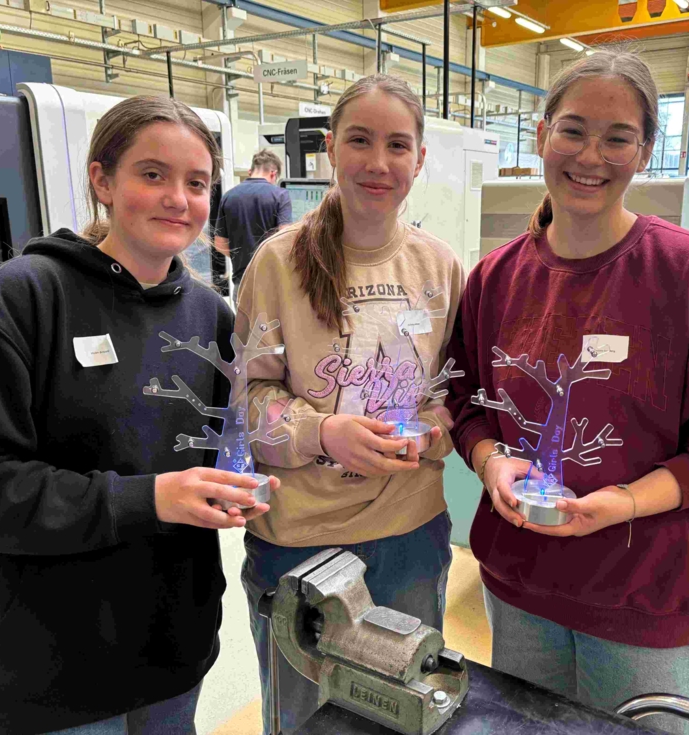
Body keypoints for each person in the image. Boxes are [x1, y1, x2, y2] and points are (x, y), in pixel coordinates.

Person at [445, 50, 689, 735]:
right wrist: (490, 461)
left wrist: (627, 502)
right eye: (573, 129)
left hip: (649, 604)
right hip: (522, 590)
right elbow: (462, 398)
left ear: (646, 152)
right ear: (543, 133)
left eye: (617, 137)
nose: (590, 155)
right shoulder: (496, 279)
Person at [0, 96, 279, 735]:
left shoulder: (209, 318)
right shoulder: (23, 298)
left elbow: (216, 451)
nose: (177, 198)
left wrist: (232, 491)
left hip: (170, 652)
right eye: (152, 174)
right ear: (101, 180)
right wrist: (149, 499)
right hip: (43, 666)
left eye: (196, 183)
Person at [234, 74, 463, 733]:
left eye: (398, 145)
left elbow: (458, 390)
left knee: (405, 711)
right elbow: (247, 402)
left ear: (420, 159)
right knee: (305, 718)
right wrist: (322, 431)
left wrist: (432, 431)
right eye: (360, 140)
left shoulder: (441, 268)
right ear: (330, 148)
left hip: (410, 535)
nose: (378, 162)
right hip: (299, 544)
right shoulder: (277, 265)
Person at [214, 149, 292, 295]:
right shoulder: (280, 195)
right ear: (273, 174)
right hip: (271, 283)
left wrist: (242, 255)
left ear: (250, 172)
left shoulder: (229, 196)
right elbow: (285, 237)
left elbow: (219, 244)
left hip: (241, 283)